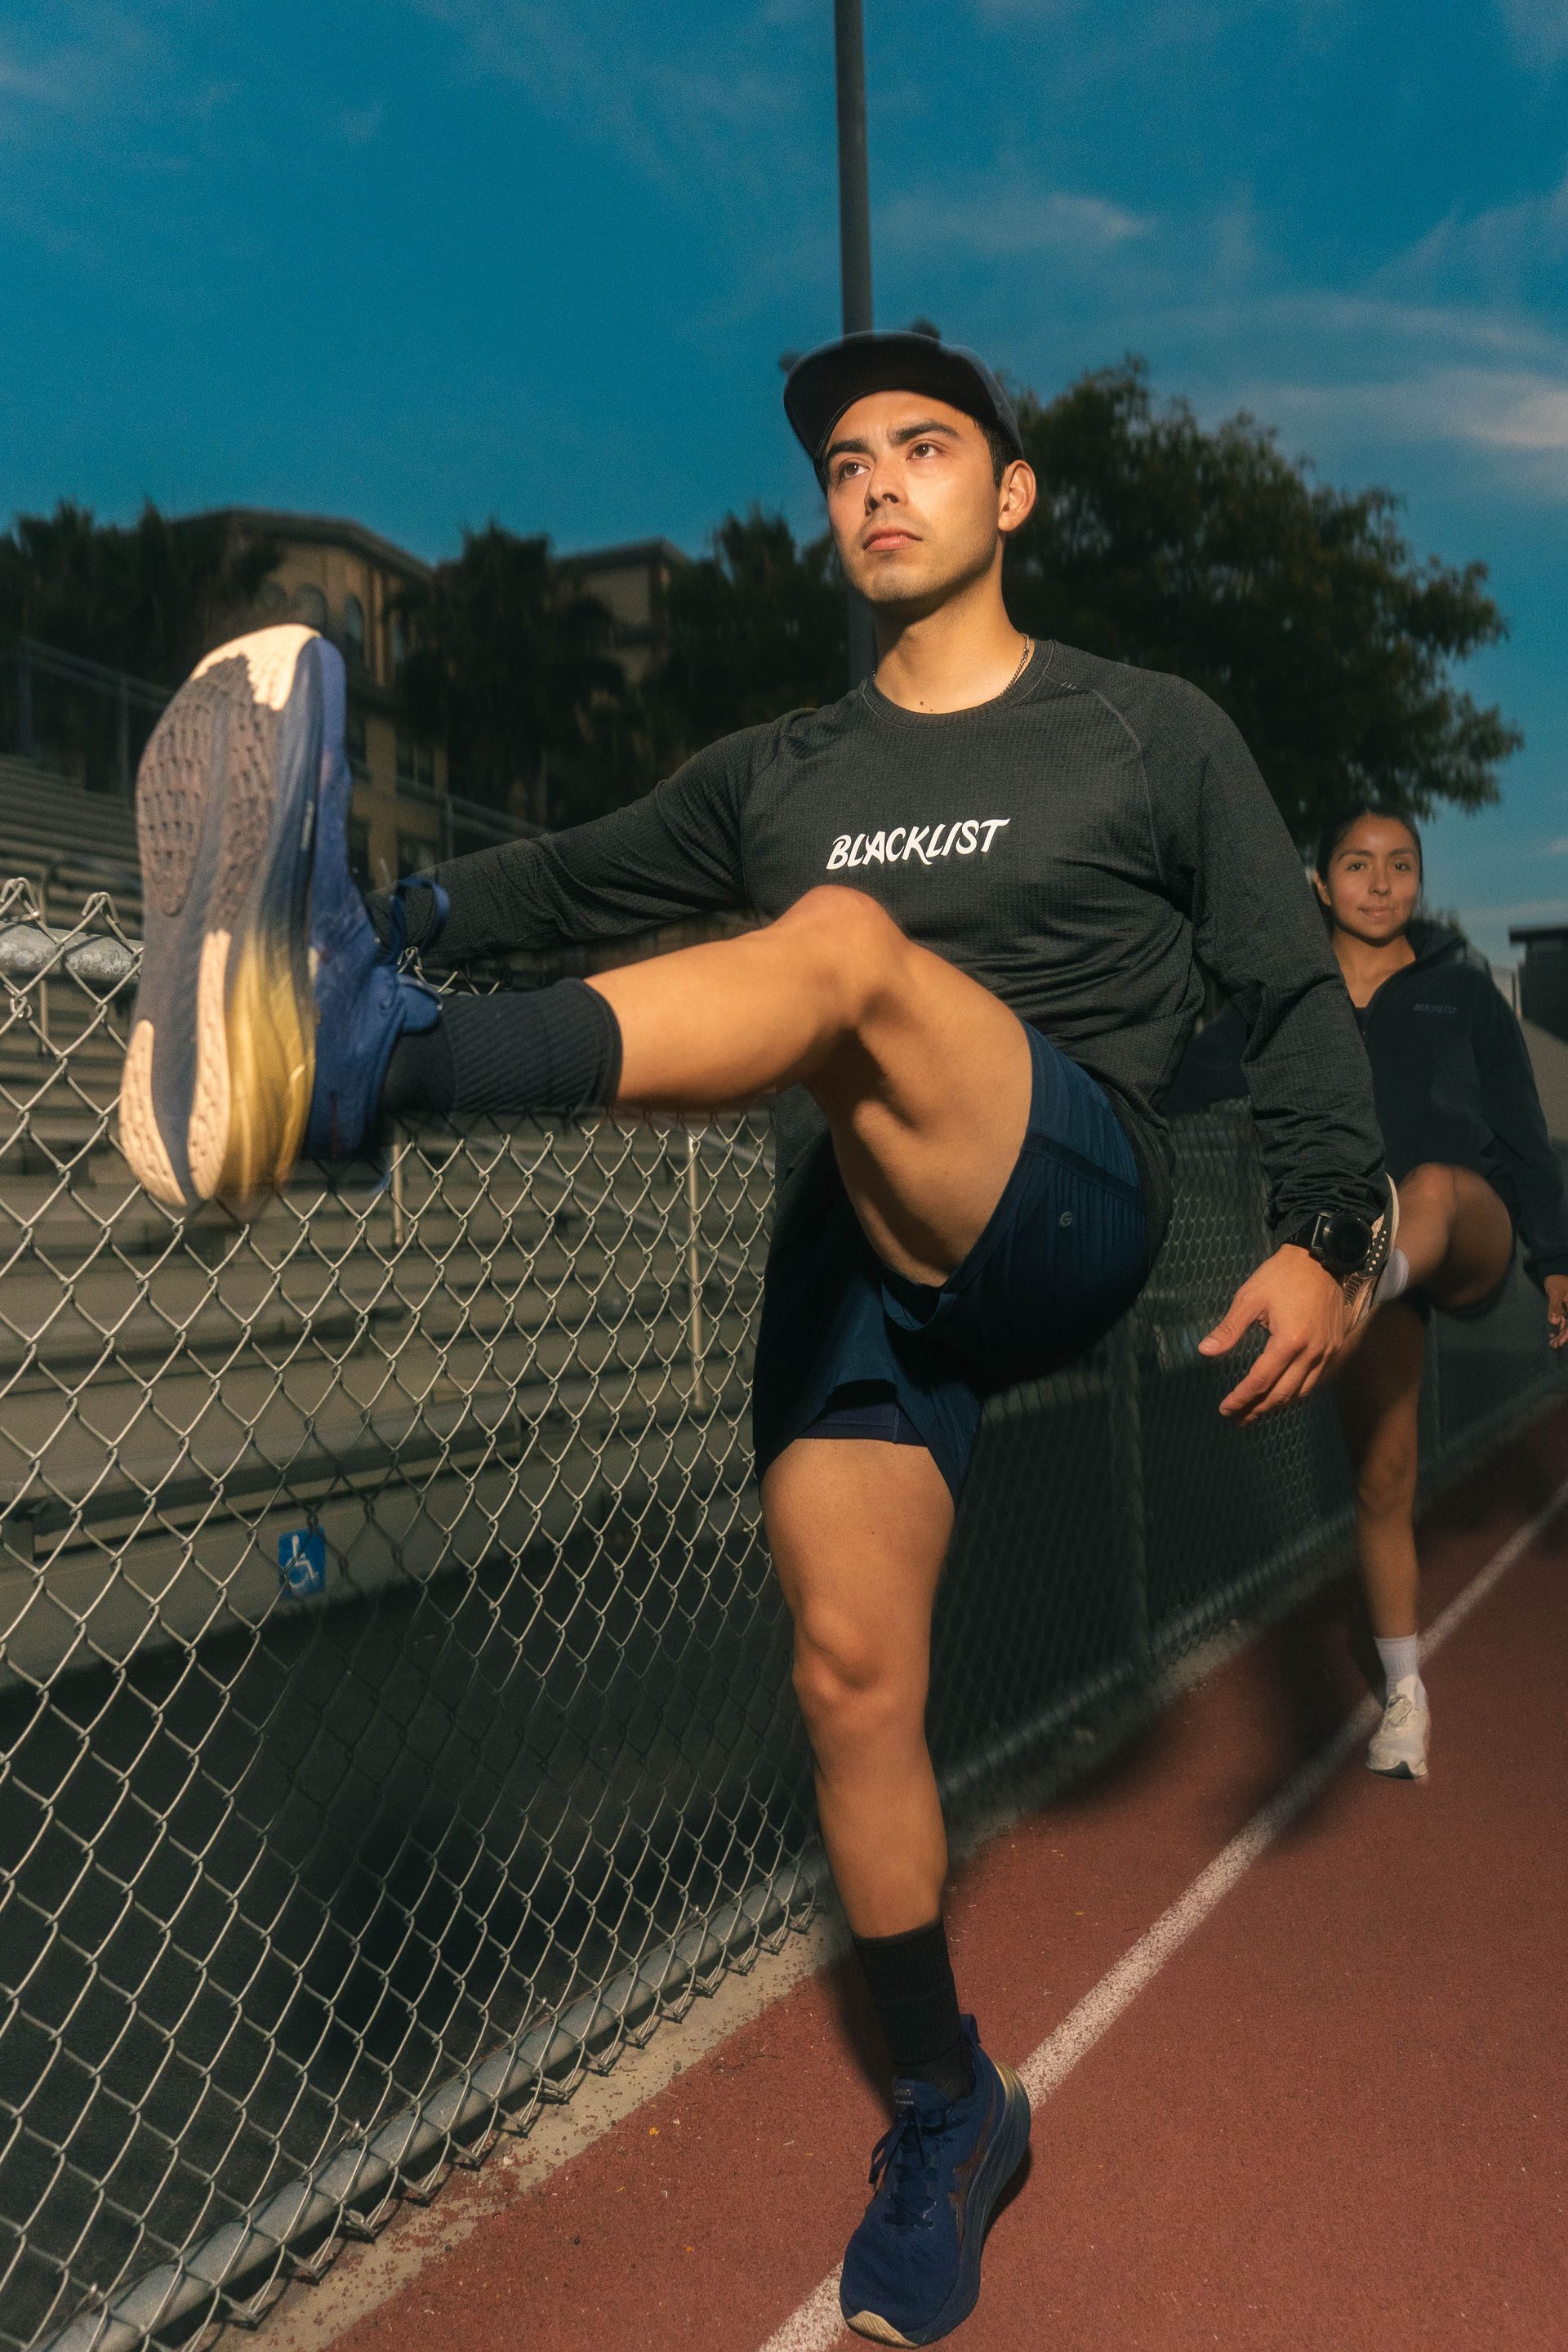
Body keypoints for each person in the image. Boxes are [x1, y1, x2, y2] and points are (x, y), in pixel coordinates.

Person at [118, 332, 1392, 2346]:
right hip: (856, 1256)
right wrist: (396, 896)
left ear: (1011, 493)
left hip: (1068, 1194)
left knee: (837, 958)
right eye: (844, 464)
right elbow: (576, 873)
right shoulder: (781, 770)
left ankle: (353, 1072)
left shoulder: (1147, 731)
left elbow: (1288, 984)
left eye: (923, 449)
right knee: (845, 1670)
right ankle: (951, 2110)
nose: (875, 483)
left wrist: (1335, 1229)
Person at [1311, 809, 1568, 1780]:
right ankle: (1406, 1699)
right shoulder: (1291, 998)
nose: (1381, 885)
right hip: (1359, 1259)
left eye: (1402, 866)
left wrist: (1557, 1259)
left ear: (1420, 881)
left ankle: (1365, 1283)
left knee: (1428, 1186)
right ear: (1323, 880)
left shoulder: (1461, 991)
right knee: (1383, 1479)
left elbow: (1523, 1126)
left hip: (1464, 1230)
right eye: (1359, 865)